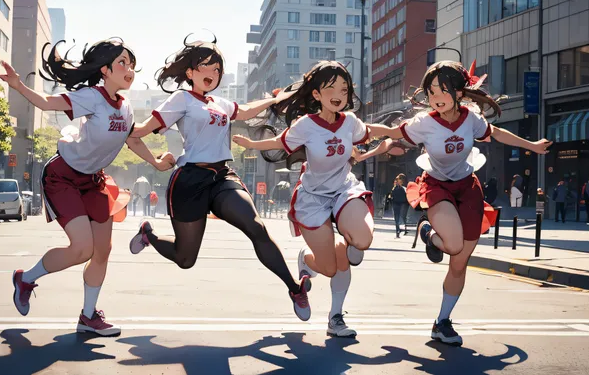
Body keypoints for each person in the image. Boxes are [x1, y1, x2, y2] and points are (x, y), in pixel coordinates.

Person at [367, 60, 552, 346]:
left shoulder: (471, 119)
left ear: (458, 92)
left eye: (442, 90)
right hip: (437, 186)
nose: (435, 97)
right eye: (430, 92)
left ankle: (442, 322)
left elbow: (497, 134)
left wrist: (532, 146)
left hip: (468, 187)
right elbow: (392, 133)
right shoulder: (424, 123)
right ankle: (427, 231)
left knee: (459, 262)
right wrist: (353, 128)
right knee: (452, 245)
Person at [0, 38, 175, 336]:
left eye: (131, 64)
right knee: (82, 249)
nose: (129, 69)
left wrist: (157, 162)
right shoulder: (91, 97)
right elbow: (46, 102)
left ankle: (88, 316)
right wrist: (18, 85)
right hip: (63, 176)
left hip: (94, 180)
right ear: (104, 69)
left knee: (102, 251)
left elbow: (131, 139)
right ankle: (25, 279)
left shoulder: (127, 107)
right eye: (122, 63)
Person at [128, 37, 312, 321]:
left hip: (222, 177)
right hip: (190, 180)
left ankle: (294, 288)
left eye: (217, 69)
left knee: (256, 227)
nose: (212, 73)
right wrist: (151, 157)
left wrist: (277, 98)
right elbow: (139, 131)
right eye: (205, 66)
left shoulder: (222, 104)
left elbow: (249, 110)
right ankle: (148, 235)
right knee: (185, 259)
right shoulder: (182, 99)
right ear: (189, 72)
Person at [233, 61, 384, 337]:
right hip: (313, 197)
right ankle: (307, 260)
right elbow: (280, 141)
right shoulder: (306, 125)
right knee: (330, 266)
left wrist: (398, 135)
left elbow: (369, 134)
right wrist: (253, 145)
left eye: (344, 88)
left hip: (343, 190)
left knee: (361, 241)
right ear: (316, 94)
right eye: (331, 88)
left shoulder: (350, 121)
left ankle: (336, 318)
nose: (339, 93)